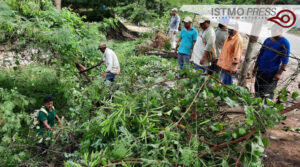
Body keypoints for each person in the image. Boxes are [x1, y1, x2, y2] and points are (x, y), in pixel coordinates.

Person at [253, 25, 290, 99]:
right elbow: (261, 54)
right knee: (257, 89)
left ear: (280, 31)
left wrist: (279, 74)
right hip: (260, 69)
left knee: (268, 93)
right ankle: (256, 106)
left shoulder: (284, 43)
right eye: (272, 30)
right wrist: (255, 67)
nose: (272, 32)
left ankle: (266, 108)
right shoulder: (267, 40)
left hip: (271, 72)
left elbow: (285, 60)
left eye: (274, 31)